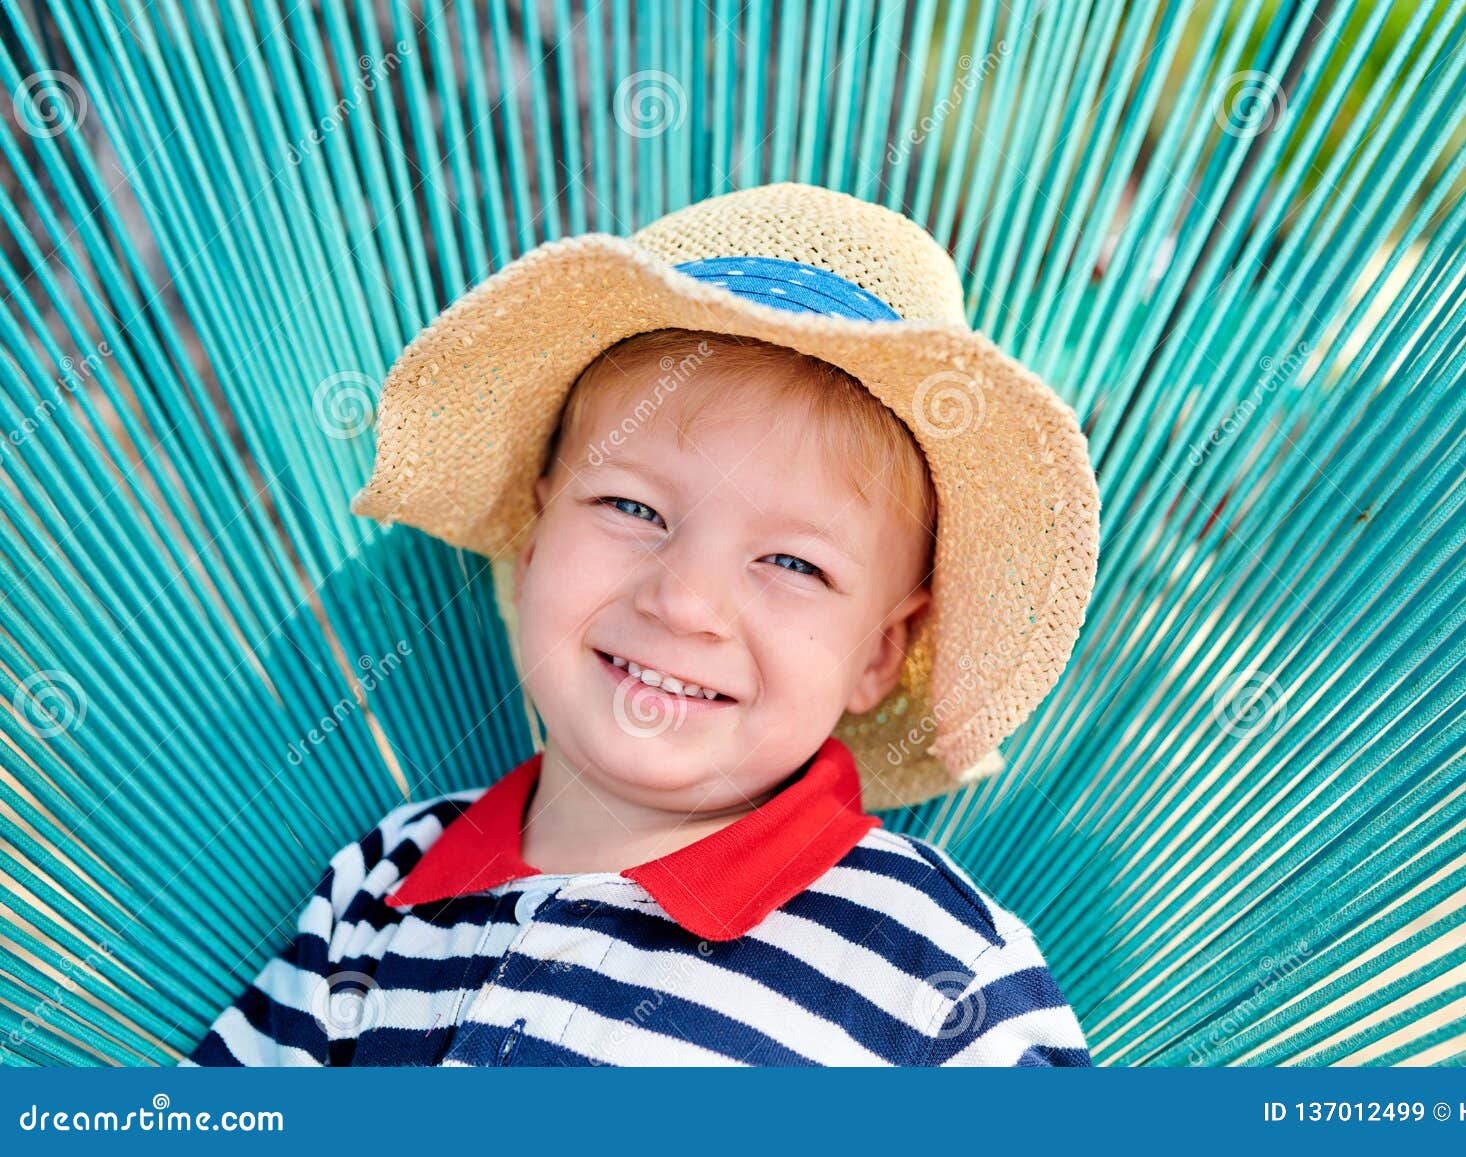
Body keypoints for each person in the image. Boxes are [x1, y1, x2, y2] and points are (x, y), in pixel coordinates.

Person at [184, 182, 1101, 1066]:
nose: (684, 601)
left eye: (793, 563)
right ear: (539, 531)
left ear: (880, 653)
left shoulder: (933, 972)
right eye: (632, 508)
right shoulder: (388, 884)